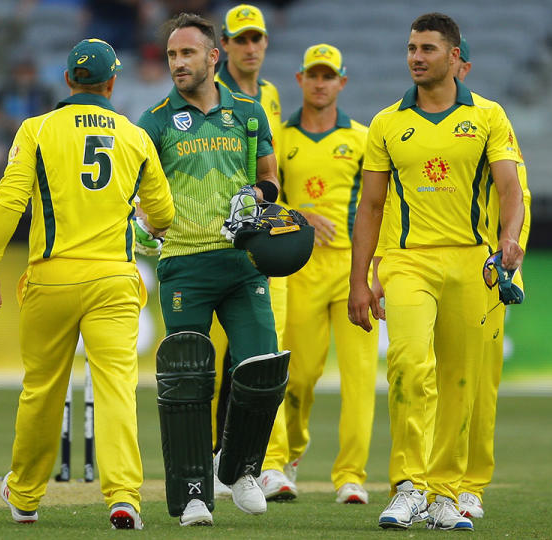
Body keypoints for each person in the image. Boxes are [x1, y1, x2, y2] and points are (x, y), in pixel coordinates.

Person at [0, 38, 174, 530]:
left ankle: (24, 495)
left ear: (68, 81)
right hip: (113, 278)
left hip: (52, 276)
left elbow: (9, 199)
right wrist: (141, 223)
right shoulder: (134, 136)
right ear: (112, 82)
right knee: (115, 389)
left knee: (42, 388)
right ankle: (123, 495)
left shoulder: (37, 128)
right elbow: (165, 214)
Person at [348, 12, 524, 531]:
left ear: (453, 57)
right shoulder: (386, 123)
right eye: (410, 49)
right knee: (406, 362)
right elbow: (371, 207)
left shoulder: (489, 116)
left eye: (426, 48)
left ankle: (445, 493)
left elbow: (510, 189)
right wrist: (359, 281)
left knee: (460, 381)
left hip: (473, 261)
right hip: (407, 262)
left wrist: (509, 238)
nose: (416, 58)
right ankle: (408, 485)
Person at [137, 13, 288, 526]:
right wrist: (139, 222)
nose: (177, 63)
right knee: (188, 382)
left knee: (263, 368)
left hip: (245, 263)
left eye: (187, 54)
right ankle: (193, 493)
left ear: (212, 57)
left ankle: (239, 468)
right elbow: (134, 195)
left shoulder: (248, 112)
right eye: (172, 55)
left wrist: (256, 195)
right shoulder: (153, 122)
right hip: (183, 265)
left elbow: (270, 179)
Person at [272, 43, 377, 505]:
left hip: (352, 268)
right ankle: (289, 452)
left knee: (359, 377)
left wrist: (374, 270)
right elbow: (265, 199)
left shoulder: (362, 138)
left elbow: (379, 206)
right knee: (298, 375)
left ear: (342, 82)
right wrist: (300, 216)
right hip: (299, 269)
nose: (320, 82)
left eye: (328, 75)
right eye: (312, 75)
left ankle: (351, 475)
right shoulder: (280, 137)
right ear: (300, 80)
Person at [211, 3, 293, 502]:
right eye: (240, 39)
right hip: (210, 236)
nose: (249, 47)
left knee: (247, 353)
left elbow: (272, 167)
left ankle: (235, 460)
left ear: (264, 43)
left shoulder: (271, 96)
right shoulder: (207, 93)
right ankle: (207, 455)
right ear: (224, 46)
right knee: (205, 352)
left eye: (255, 38)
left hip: (257, 238)